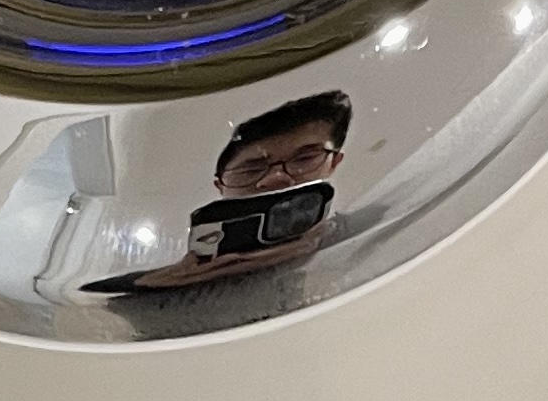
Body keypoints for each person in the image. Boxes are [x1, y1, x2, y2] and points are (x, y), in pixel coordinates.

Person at [81, 90, 351, 317]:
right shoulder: (166, 282)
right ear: (220, 185)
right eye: (251, 168)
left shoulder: (357, 240)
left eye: (305, 158)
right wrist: (174, 284)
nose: (277, 177)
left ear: (335, 162)